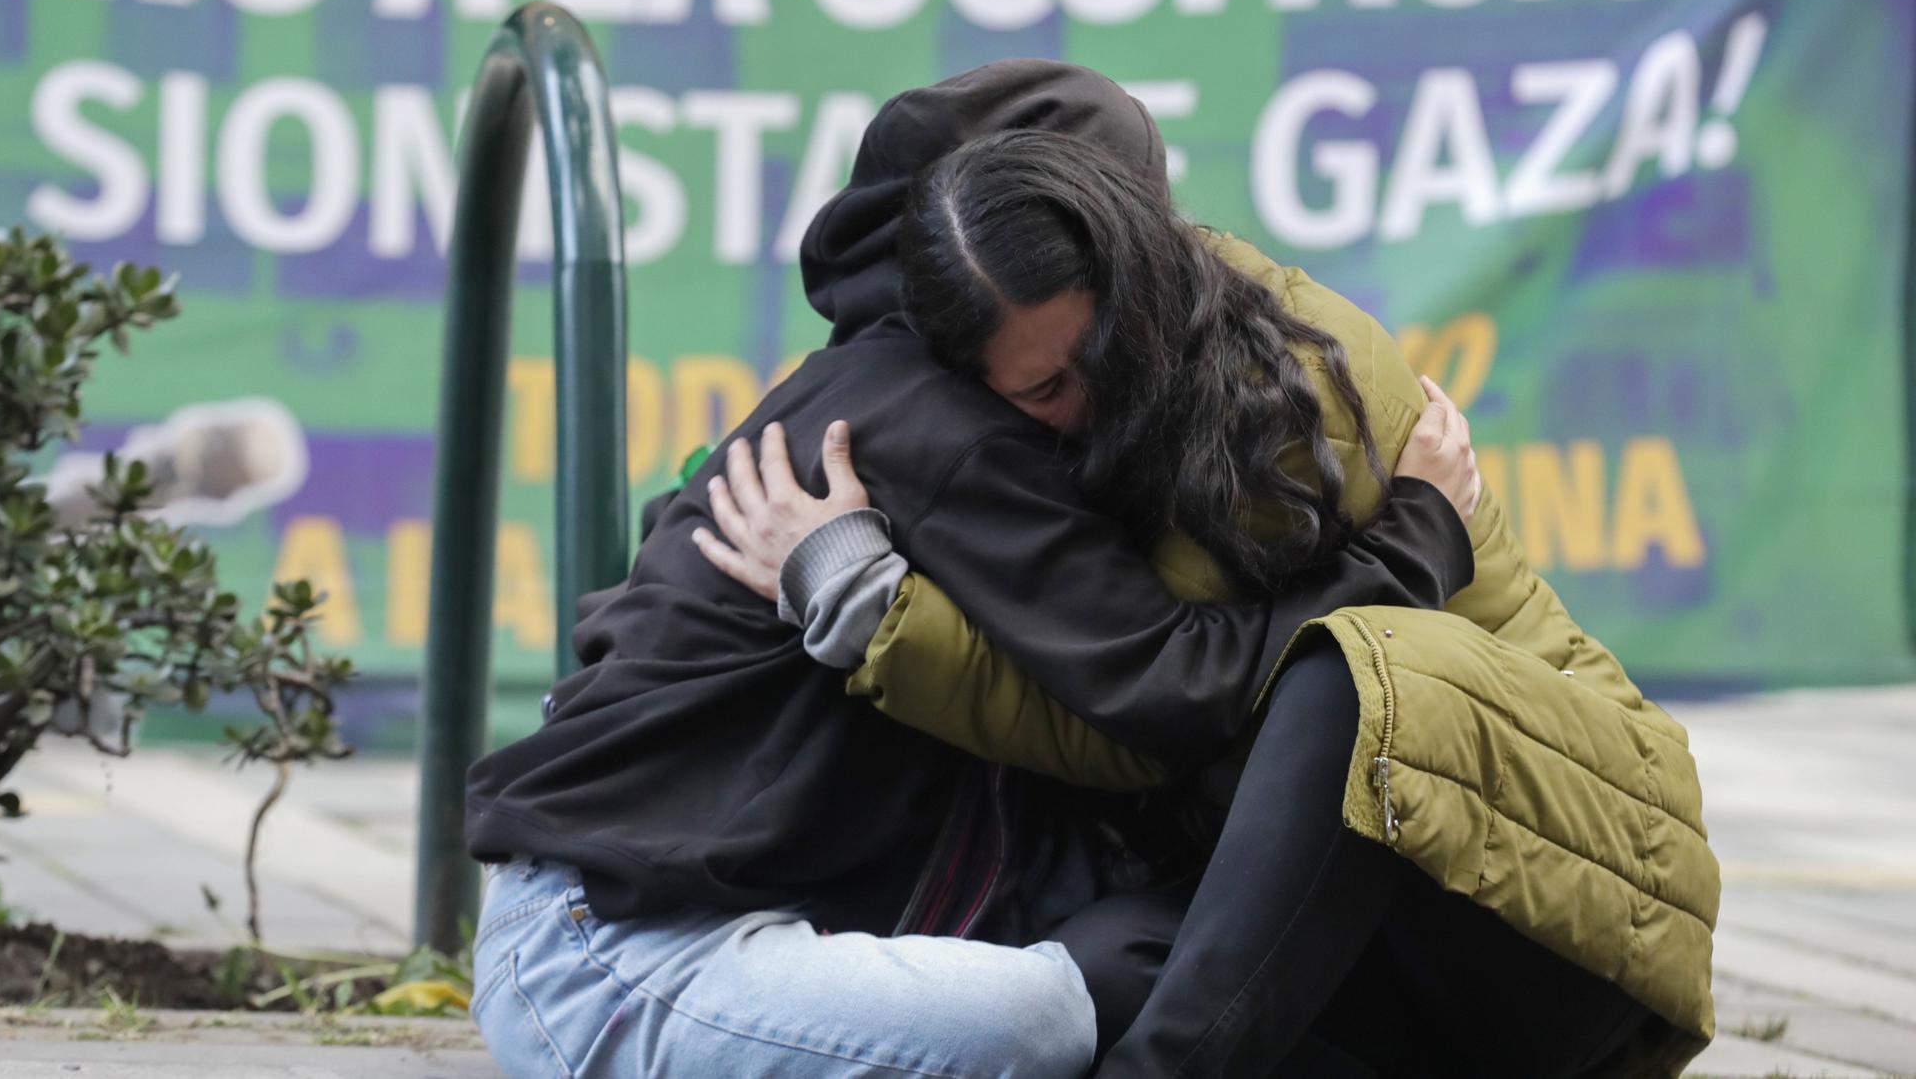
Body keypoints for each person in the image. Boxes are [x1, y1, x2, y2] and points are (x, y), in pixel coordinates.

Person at [461, 61, 1482, 1078]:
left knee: (1143, 961)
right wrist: (1421, 534)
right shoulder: (944, 432)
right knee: (1041, 1016)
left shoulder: (878, 384)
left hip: (715, 917)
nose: (1094, 397)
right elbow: (1183, 687)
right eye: (1045, 383)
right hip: (607, 948)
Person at [697, 124, 1721, 1076]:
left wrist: (1422, 537)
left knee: (1351, 678)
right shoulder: (1060, 453)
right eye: (1044, 390)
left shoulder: (1276, 377)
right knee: (1091, 980)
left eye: (1099, 350)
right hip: (1381, 927)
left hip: (1573, 919)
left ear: (1136, 272)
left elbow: (1175, 696)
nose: (1092, 396)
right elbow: (1127, 719)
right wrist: (872, 606)